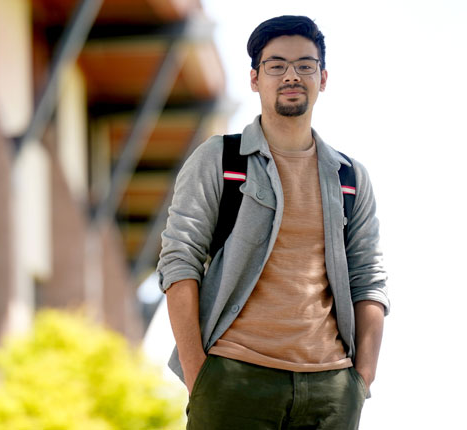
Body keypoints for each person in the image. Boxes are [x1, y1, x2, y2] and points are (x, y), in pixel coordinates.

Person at [156, 15, 389, 429]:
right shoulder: (220, 160)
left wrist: (361, 377)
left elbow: (368, 277)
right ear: (254, 78)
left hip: (330, 389)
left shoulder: (350, 177)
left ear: (324, 77)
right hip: (233, 377)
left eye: (305, 65)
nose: (291, 76)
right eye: (276, 65)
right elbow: (179, 261)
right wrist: (199, 373)